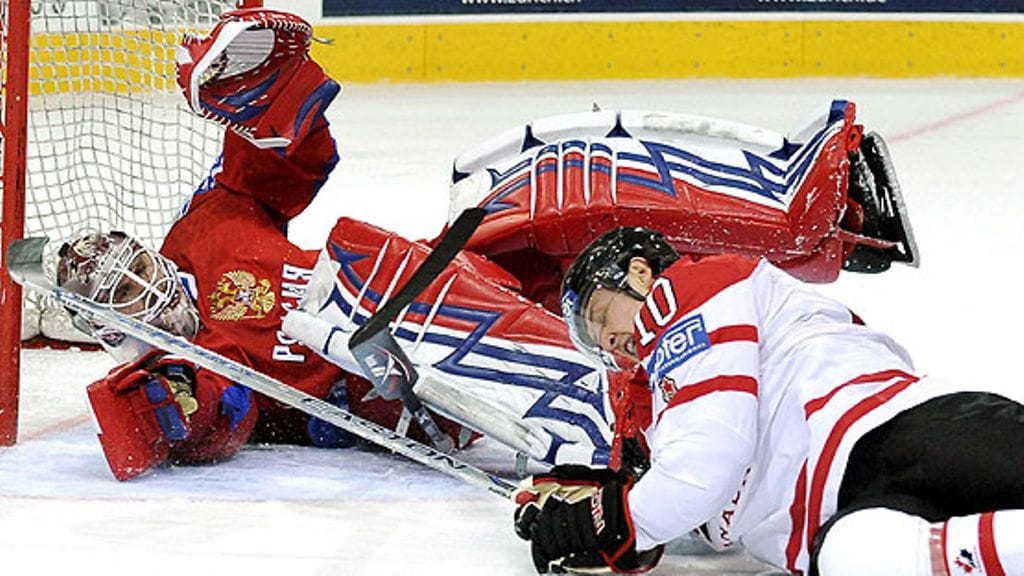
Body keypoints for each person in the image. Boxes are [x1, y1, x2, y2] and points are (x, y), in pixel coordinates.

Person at [55, 7, 919, 482]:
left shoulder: (203, 236)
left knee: (550, 188)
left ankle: (813, 225)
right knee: (359, 259)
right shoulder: (196, 359)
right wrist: (160, 404)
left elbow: (286, 161)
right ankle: (629, 418)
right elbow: (207, 420)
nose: (136, 278)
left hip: (419, 284)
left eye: (121, 256)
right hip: (409, 372)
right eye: (114, 295)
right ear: (107, 330)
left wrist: (245, 90)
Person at [511, 226, 1024, 575]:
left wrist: (622, 518)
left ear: (641, 275)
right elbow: (691, 498)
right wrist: (616, 509)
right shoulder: (664, 410)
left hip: (905, 431)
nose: (607, 342)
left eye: (602, 315)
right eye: (593, 339)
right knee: (858, 555)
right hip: (848, 514)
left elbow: (703, 470)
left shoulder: (690, 289)